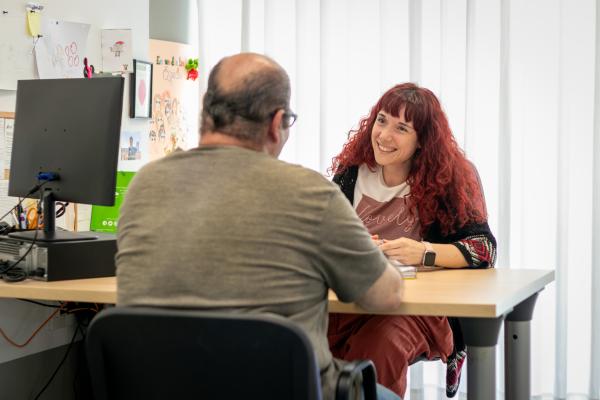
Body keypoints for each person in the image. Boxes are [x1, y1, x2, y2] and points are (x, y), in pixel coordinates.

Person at [116, 53, 404, 400]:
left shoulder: (144, 185)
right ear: (277, 122)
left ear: (205, 114)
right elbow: (386, 296)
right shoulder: (310, 193)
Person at [327, 83, 497, 398]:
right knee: (297, 337)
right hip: (354, 300)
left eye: (401, 128)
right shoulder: (353, 171)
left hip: (414, 309)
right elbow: (326, 236)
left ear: (423, 141)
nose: (384, 135)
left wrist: (423, 253)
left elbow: (484, 250)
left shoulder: (449, 178)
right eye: (381, 121)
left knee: (377, 349)